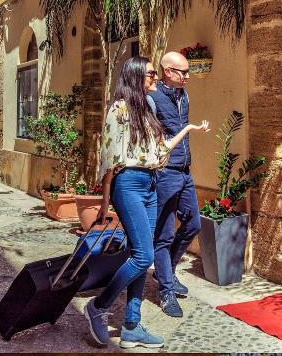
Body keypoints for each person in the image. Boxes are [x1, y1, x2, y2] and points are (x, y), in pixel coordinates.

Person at [85, 56, 209, 349]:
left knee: (138, 254)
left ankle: (131, 325)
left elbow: (161, 149)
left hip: (151, 183)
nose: (155, 78)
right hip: (128, 184)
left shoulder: (145, 110)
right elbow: (109, 160)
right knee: (144, 256)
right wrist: (105, 203)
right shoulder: (120, 109)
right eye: (151, 74)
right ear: (137, 76)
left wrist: (189, 129)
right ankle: (99, 306)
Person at [147, 51, 199, 317]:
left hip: (185, 171)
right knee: (164, 234)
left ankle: (166, 270)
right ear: (167, 71)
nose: (187, 76)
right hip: (165, 172)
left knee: (193, 223)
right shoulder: (152, 99)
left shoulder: (184, 96)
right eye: (183, 72)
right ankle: (166, 291)